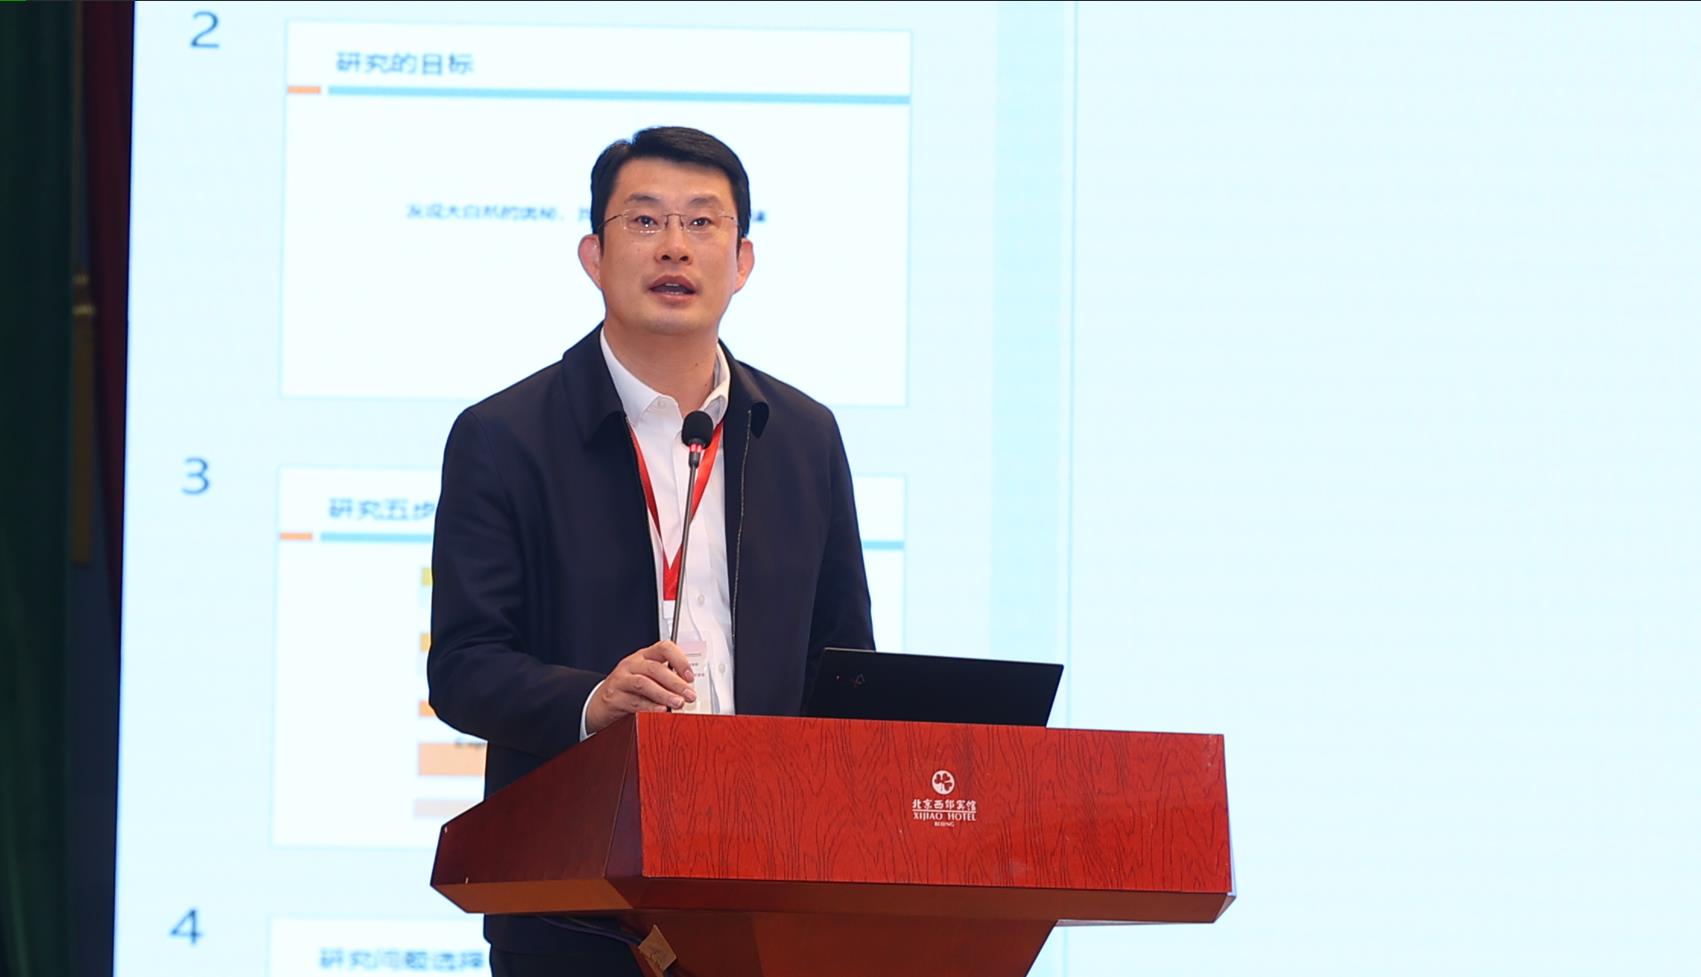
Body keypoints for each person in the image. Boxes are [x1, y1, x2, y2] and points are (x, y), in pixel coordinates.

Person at [427, 126, 876, 975]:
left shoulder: (801, 435)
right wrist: (593, 700)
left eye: (703, 222)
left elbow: (843, 662)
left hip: (770, 897)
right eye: (644, 220)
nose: (675, 245)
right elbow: (463, 666)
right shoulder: (504, 437)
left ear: (742, 262)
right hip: (577, 912)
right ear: (593, 256)